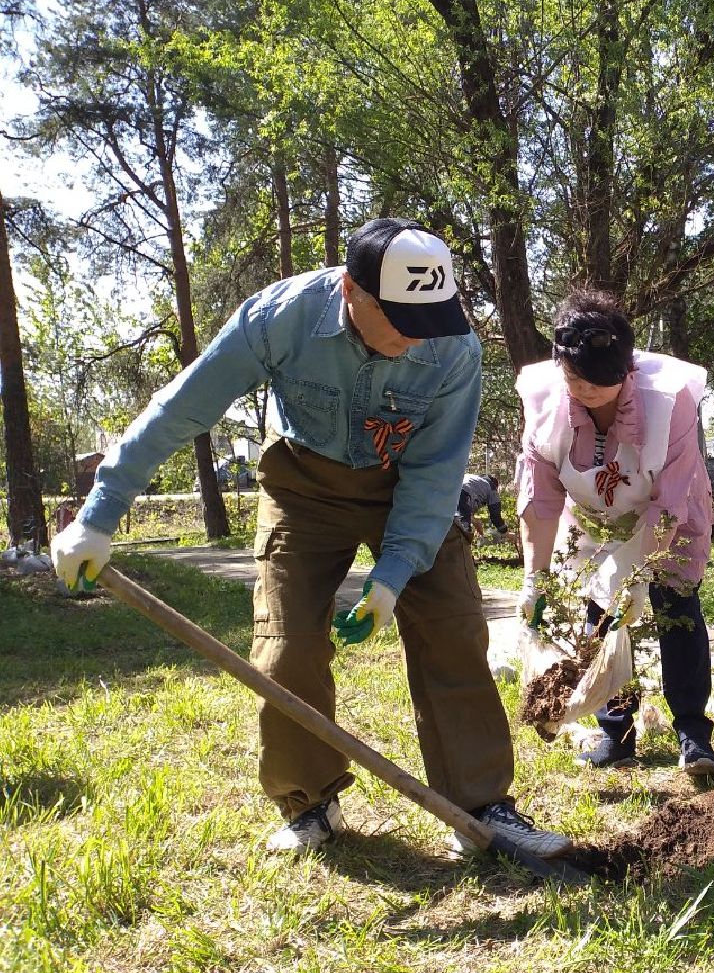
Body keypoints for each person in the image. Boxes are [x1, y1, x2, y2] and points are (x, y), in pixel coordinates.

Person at [52, 218, 570, 860]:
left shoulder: (453, 347)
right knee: (287, 642)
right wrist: (98, 516)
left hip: (407, 487)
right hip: (303, 485)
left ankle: (483, 806)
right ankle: (310, 805)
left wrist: (392, 576)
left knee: (454, 628)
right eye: (403, 320)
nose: (416, 339)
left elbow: (436, 472)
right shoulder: (279, 318)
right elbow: (181, 409)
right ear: (353, 290)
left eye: (430, 319)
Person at [515, 290, 714, 777]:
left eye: (599, 384)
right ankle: (617, 733)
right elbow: (540, 499)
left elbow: (669, 504)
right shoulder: (544, 400)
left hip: (665, 518)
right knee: (600, 617)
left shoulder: (671, 401)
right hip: (594, 519)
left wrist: (635, 580)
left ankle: (693, 733)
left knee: (677, 612)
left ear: (627, 369)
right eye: (576, 380)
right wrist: (534, 580)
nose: (586, 392)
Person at [455, 472, 507, 541]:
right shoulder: (491, 487)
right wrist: (505, 532)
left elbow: (463, 511)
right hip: (463, 494)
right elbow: (495, 515)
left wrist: (476, 523)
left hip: (448, 491)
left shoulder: (473, 480)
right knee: (464, 532)